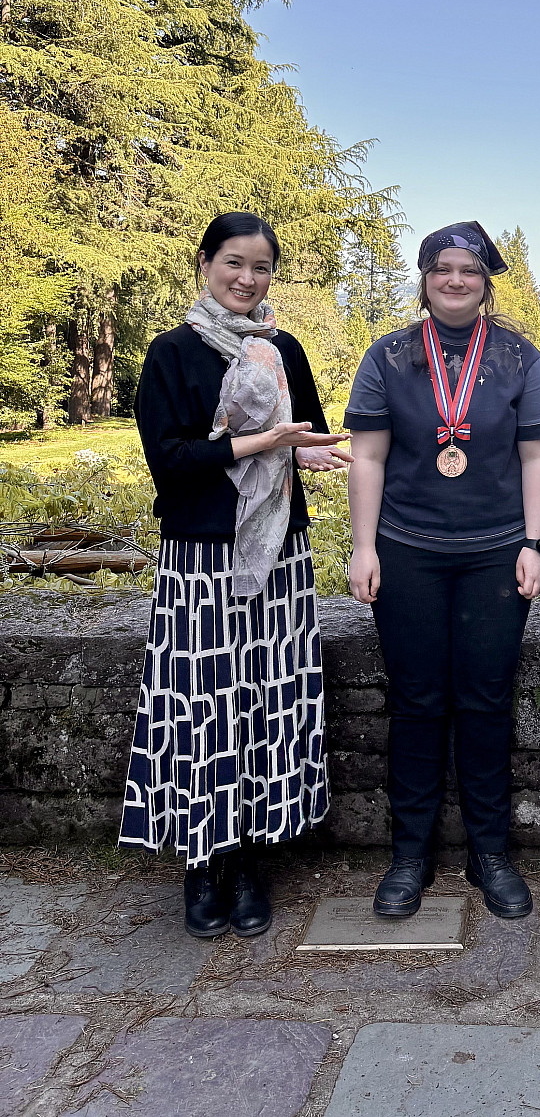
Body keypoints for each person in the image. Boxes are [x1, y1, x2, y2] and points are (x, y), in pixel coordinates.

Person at [120, 212, 350, 939]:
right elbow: (174, 463)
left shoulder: (284, 349)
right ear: (205, 263)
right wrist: (263, 441)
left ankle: (250, 857)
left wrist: (311, 453)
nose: (248, 278)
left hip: (279, 549)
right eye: (234, 263)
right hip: (200, 556)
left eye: (261, 267)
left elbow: (303, 434)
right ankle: (201, 860)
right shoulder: (172, 353)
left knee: (263, 700)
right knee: (201, 705)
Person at [345, 221, 540, 921]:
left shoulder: (521, 359)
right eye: (443, 269)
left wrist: (535, 543)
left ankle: (489, 851)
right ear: (426, 279)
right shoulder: (389, 356)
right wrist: (364, 546)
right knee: (416, 701)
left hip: (497, 554)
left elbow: (536, 460)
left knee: (487, 700)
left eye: (469, 270)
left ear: (486, 282)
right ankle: (410, 852)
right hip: (408, 551)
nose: (456, 280)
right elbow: (368, 456)